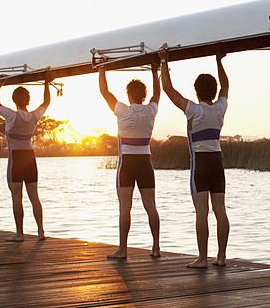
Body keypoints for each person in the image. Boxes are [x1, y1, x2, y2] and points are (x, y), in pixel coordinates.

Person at [158, 49, 230, 268]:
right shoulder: (220, 108)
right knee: (220, 210)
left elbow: (169, 90)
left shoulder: (194, 110)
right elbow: (226, 86)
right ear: (213, 91)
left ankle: (202, 258)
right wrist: (219, 61)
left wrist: (163, 61)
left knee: (202, 211)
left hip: (200, 162)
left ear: (197, 92)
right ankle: (221, 257)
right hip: (217, 160)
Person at [98, 64, 162, 260]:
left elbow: (104, 92)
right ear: (143, 95)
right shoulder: (151, 110)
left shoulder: (123, 111)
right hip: (145, 161)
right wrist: (154, 72)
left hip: (127, 162)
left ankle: (123, 250)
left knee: (125, 207)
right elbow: (157, 94)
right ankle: (156, 247)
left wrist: (102, 69)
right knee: (151, 205)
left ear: (128, 95)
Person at [0, 74, 54, 242]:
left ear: (14, 100)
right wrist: (46, 83)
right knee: (34, 197)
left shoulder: (10, 115)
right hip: (30, 159)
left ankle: (20, 234)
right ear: (28, 101)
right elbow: (46, 102)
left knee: (17, 197)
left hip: (16, 159)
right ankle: (41, 232)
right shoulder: (33, 116)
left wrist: (0, 82)